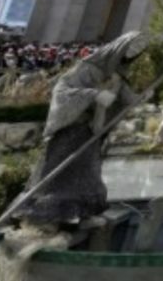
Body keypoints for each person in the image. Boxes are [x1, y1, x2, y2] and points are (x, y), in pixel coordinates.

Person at [15, 32, 148, 227]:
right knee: (60, 170)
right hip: (73, 127)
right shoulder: (89, 67)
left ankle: (83, 212)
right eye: (132, 47)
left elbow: (126, 99)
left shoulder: (117, 76)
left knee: (87, 171)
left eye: (138, 50)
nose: (134, 53)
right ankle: (44, 212)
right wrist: (94, 94)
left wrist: (141, 97)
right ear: (120, 47)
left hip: (91, 131)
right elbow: (62, 89)